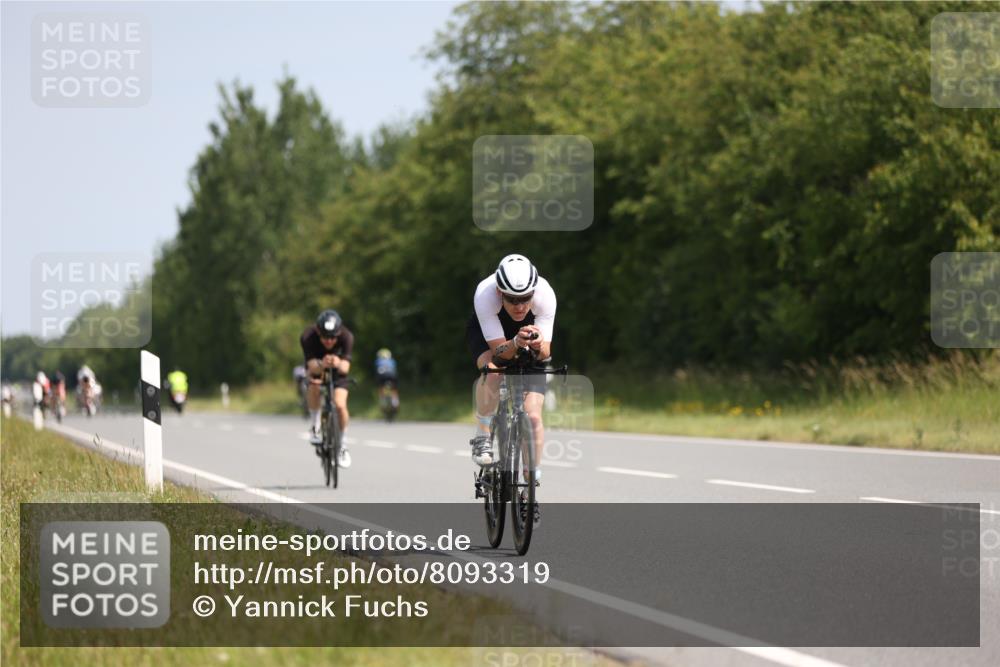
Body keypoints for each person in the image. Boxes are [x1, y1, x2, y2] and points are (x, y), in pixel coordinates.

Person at [465, 254, 556, 523]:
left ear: (534, 292)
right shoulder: (485, 295)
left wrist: (538, 344)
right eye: (512, 299)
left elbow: (545, 352)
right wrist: (515, 342)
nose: (519, 305)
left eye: (525, 298)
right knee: (492, 374)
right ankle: (483, 435)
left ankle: (529, 491)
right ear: (499, 292)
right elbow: (499, 354)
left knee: (534, 416)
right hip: (492, 334)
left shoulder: (545, 295)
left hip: (525, 338)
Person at [300, 309, 354, 468]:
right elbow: (310, 365)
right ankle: (315, 424)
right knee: (314, 386)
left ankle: (342, 444)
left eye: (333, 338)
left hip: (338, 372)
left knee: (340, 405)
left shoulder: (347, 336)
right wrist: (323, 364)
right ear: (318, 332)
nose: (329, 342)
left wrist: (337, 362)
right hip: (317, 367)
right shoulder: (308, 336)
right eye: (325, 337)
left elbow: (345, 368)